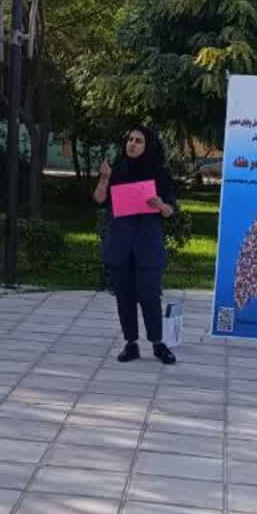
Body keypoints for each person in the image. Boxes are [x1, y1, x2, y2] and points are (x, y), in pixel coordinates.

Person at [93, 125, 178, 365]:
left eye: (138, 140)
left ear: (148, 145)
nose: (132, 144)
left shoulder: (160, 174)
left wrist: (160, 205)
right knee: (124, 296)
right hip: (120, 242)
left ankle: (158, 343)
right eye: (129, 139)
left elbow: (170, 210)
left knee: (149, 294)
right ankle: (131, 344)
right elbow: (99, 199)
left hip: (147, 243)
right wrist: (104, 178)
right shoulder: (118, 169)